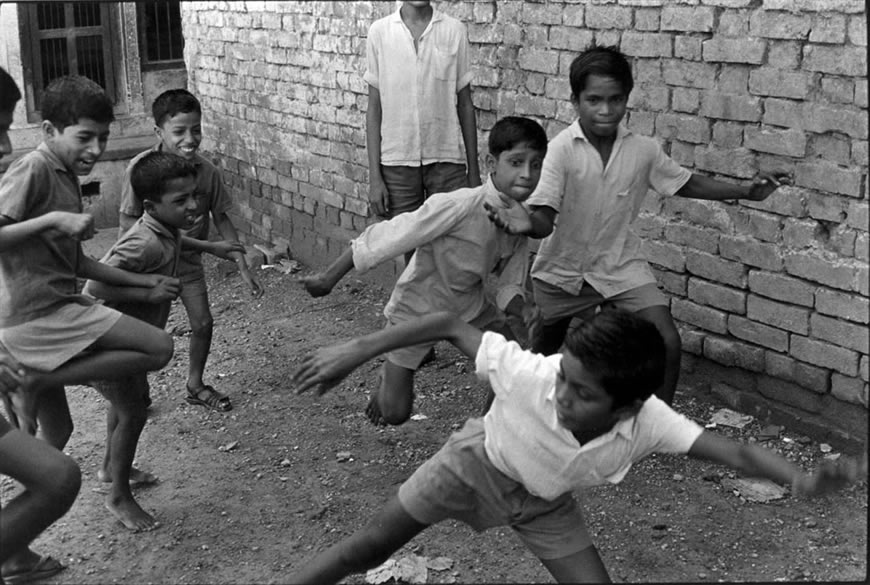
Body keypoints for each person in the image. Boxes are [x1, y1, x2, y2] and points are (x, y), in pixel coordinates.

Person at [290, 309, 864, 584]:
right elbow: (447, 323)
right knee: (367, 549)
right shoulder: (530, 373)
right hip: (472, 464)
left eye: (582, 393)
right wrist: (357, 349)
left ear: (629, 406)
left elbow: (732, 451)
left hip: (545, 501)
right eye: (564, 376)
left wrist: (798, 478)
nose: (561, 395)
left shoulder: (651, 422)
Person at [486, 45, 793, 406]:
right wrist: (526, 225)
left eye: (615, 100)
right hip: (561, 273)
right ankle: (489, 423)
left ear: (627, 99)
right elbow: (543, 220)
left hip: (618, 266)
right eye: (594, 100)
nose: (605, 110)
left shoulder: (642, 150)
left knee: (666, 341)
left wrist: (746, 192)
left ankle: (654, 426)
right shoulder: (561, 151)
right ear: (575, 100)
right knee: (534, 357)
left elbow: (684, 182)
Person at [300, 116, 547, 425]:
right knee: (395, 414)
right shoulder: (459, 205)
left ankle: (484, 437)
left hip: (467, 307)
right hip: (417, 308)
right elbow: (392, 236)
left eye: (536, 165)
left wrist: (523, 309)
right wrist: (328, 279)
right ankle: (386, 378)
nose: (527, 174)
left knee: (513, 367)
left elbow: (509, 285)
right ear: (491, 163)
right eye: (516, 162)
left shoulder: (520, 224)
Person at [118, 88, 263, 413]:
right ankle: (136, 391)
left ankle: (195, 385)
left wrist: (242, 266)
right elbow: (128, 224)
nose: (190, 138)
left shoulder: (207, 172)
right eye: (179, 131)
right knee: (146, 332)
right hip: (150, 266)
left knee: (203, 323)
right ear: (159, 132)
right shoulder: (142, 170)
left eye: (196, 129)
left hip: (187, 264)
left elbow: (221, 218)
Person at [81, 151, 196, 531]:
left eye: (193, 196)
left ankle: (111, 468)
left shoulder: (164, 230)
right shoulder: (144, 243)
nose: (192, 206)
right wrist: (147, 294)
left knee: (127, 403)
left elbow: (179, 243)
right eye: (181, 201)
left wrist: (215, 249)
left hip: (131, 341)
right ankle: (118, 496)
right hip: (109, 340)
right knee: (132, 411)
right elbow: (95, 284)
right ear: (150, 206)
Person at [0, 66, 80, 585]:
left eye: (5, 127)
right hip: (32, 323)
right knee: (57, 476)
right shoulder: (33, 174)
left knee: (57, 466)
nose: (5, 144)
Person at [365, 0, 481, 263]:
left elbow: (465, 103)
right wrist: (375, 177)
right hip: (397, 162)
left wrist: (473, 172)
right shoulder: (380, 32)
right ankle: (411, 304)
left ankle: (448, 305)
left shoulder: (454, 30)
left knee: (452, 248)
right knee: (411, 254)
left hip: (447, 160)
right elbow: (374, 108)